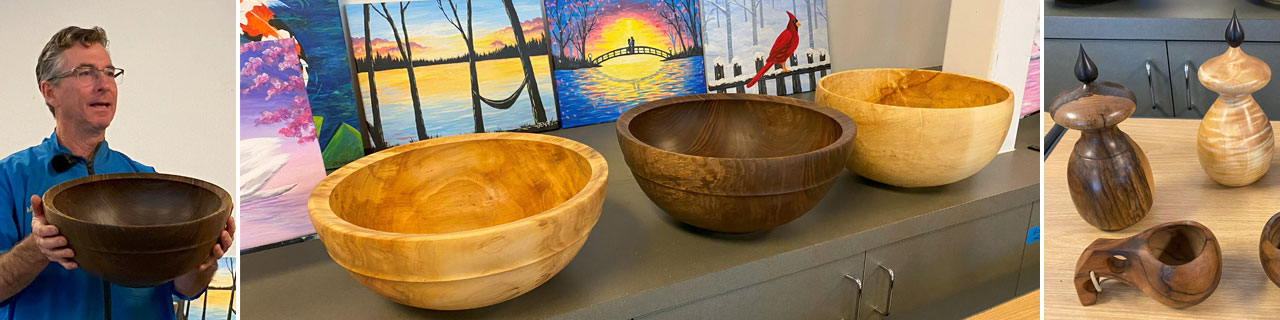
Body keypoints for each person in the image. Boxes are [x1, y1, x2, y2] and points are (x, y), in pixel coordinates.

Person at [0, 26, 235, 319]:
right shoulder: (9, 177)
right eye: (85, 72)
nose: (104, 85)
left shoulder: (142, 177)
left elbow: (186, 288)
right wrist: (38, 248)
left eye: (110, 73)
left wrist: (203, 257)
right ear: (50, 92)